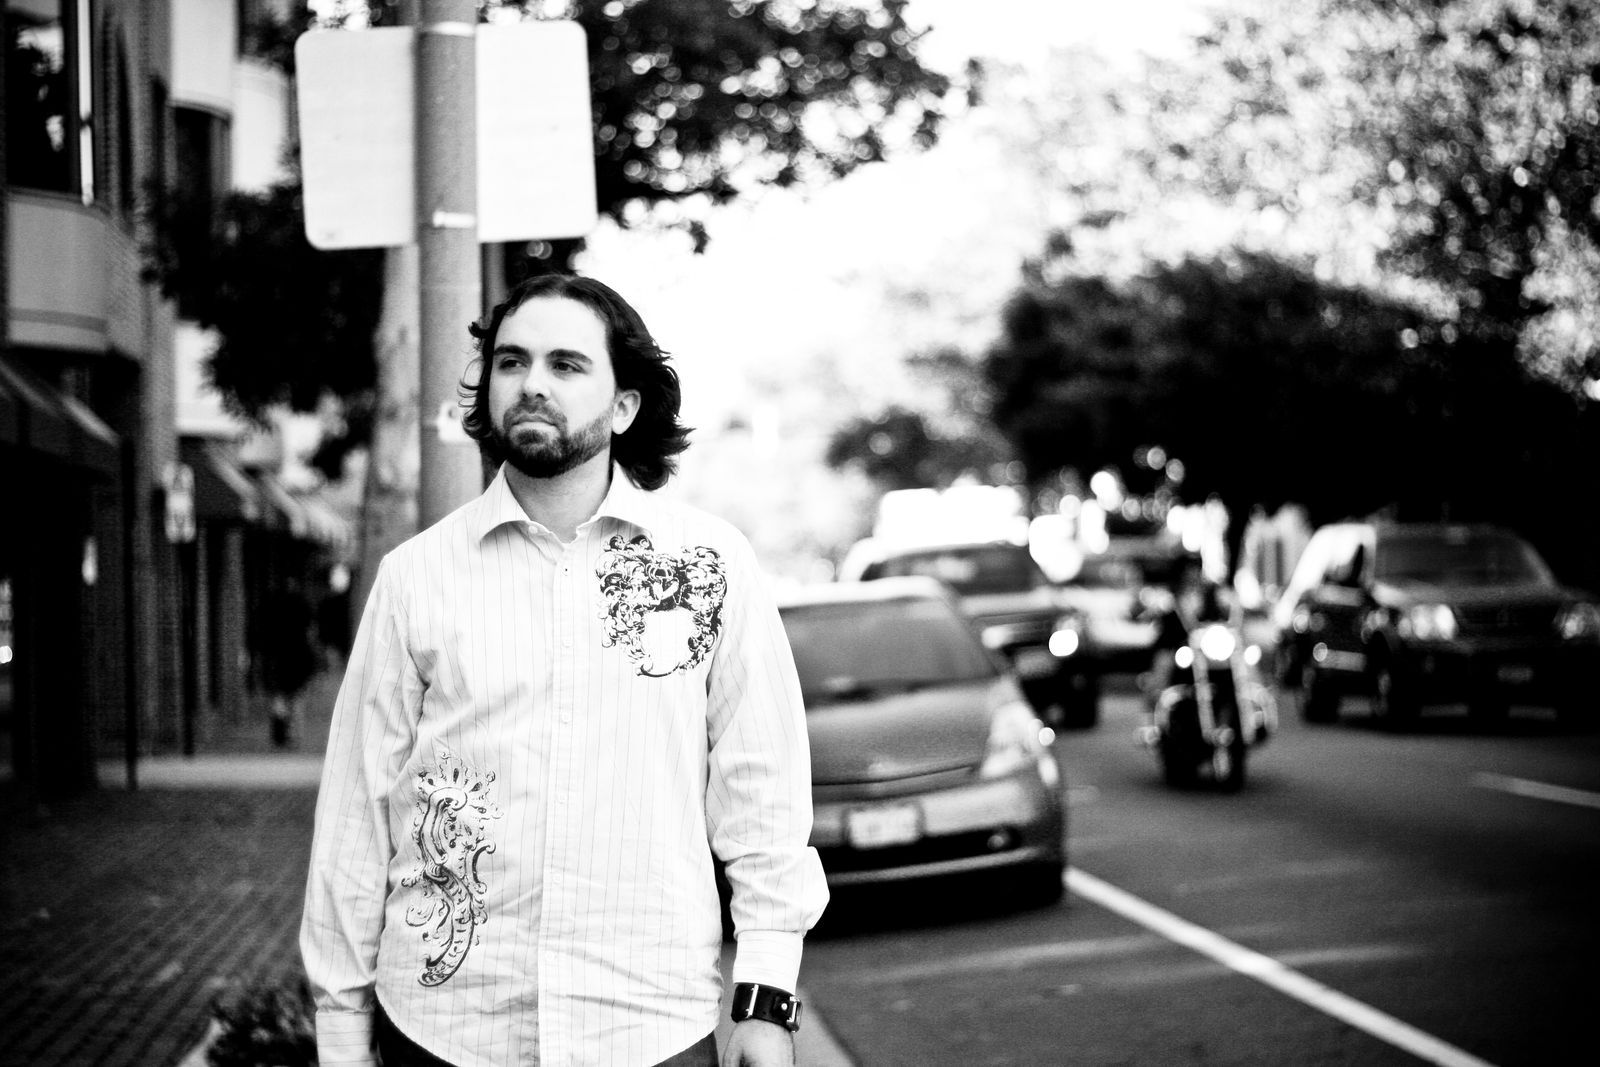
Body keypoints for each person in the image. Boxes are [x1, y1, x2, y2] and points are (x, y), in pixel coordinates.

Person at [300, 273, 828, 1067]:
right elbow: (357, 815)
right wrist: (341, 1030)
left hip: (647, 1028)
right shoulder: (416, 579)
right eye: (511, 361)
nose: (532, 384)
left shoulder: (709, 566)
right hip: (446, 1032)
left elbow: (764, 795)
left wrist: (766, 996)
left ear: (624, 406)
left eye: (566, 364)